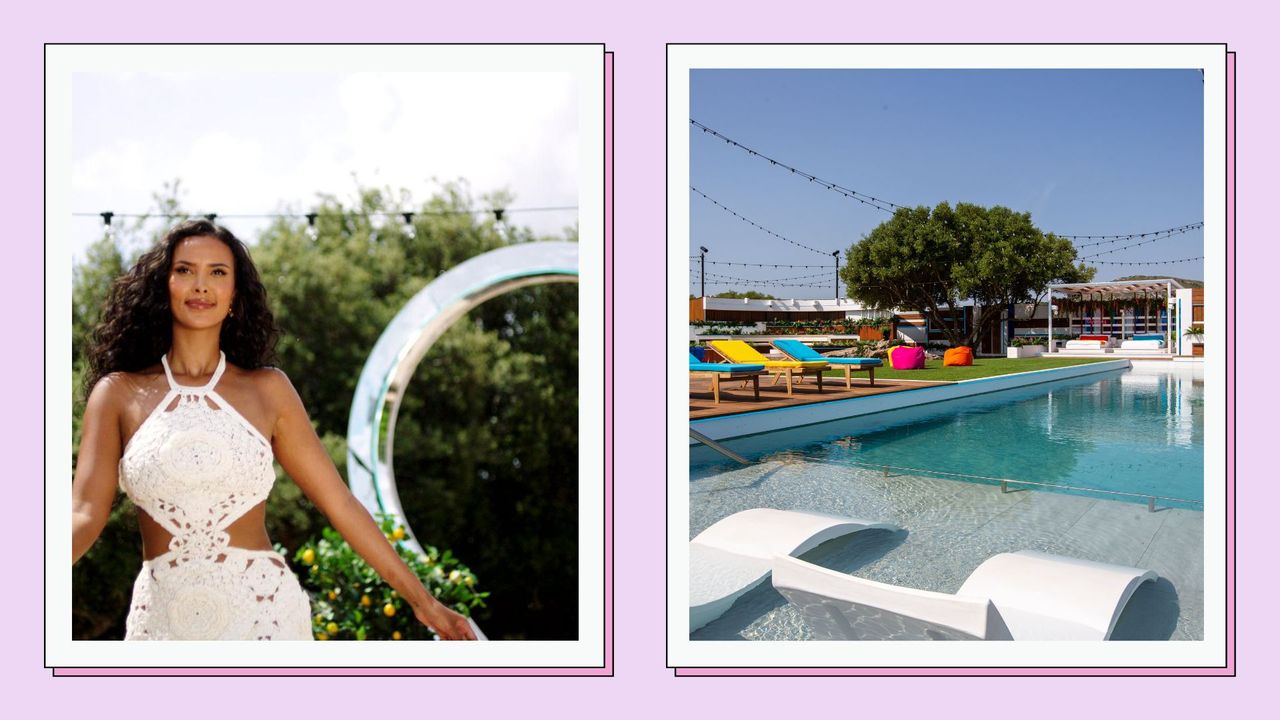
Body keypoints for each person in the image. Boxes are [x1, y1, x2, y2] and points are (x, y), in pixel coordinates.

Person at [71, 219, 476, 641]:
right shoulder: (117, 394)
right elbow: (84, 513)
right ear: (162, 286)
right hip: (162, 622)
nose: (201, 285)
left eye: (218, 272)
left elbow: (339, 504)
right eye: (185, 270)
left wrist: (424, 603)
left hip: (264, 616)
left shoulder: (268, 390)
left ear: (234, 295)